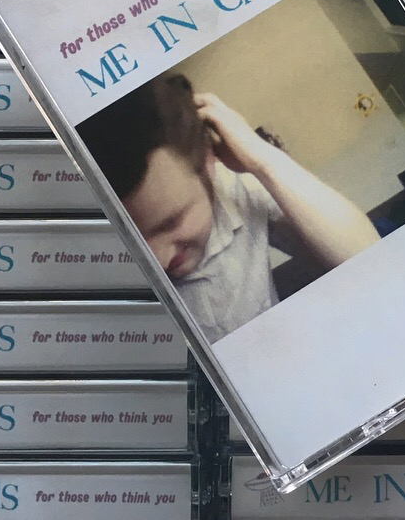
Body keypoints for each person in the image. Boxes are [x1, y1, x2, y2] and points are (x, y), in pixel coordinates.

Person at [77, 73, 380, 343]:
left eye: (171, 222)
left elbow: (373, 263)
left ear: (208, 162)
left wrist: (263, 160)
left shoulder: (235, 189)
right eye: (129, 242)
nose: (157, 259)